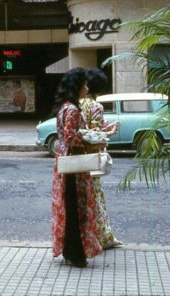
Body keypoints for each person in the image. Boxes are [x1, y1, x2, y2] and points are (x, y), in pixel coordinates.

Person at [51, 67, 102, 268]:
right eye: (84, 85)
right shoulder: (72, 109)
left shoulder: (64, 107)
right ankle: (75, 253)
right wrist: (91, 144)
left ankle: (70, 251)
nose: (87, 89)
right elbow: (71, 137)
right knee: (76, 208)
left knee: (69, 207)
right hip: (74, 165)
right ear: (77, 86)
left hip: (64, 163)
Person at [80, 68, 122, 250]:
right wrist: (110, 132)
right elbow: (95, 134)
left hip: (77, 158)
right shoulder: (96, 106)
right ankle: (102, 237)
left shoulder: (78, 104)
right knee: (95, 197)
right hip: (91, 157)